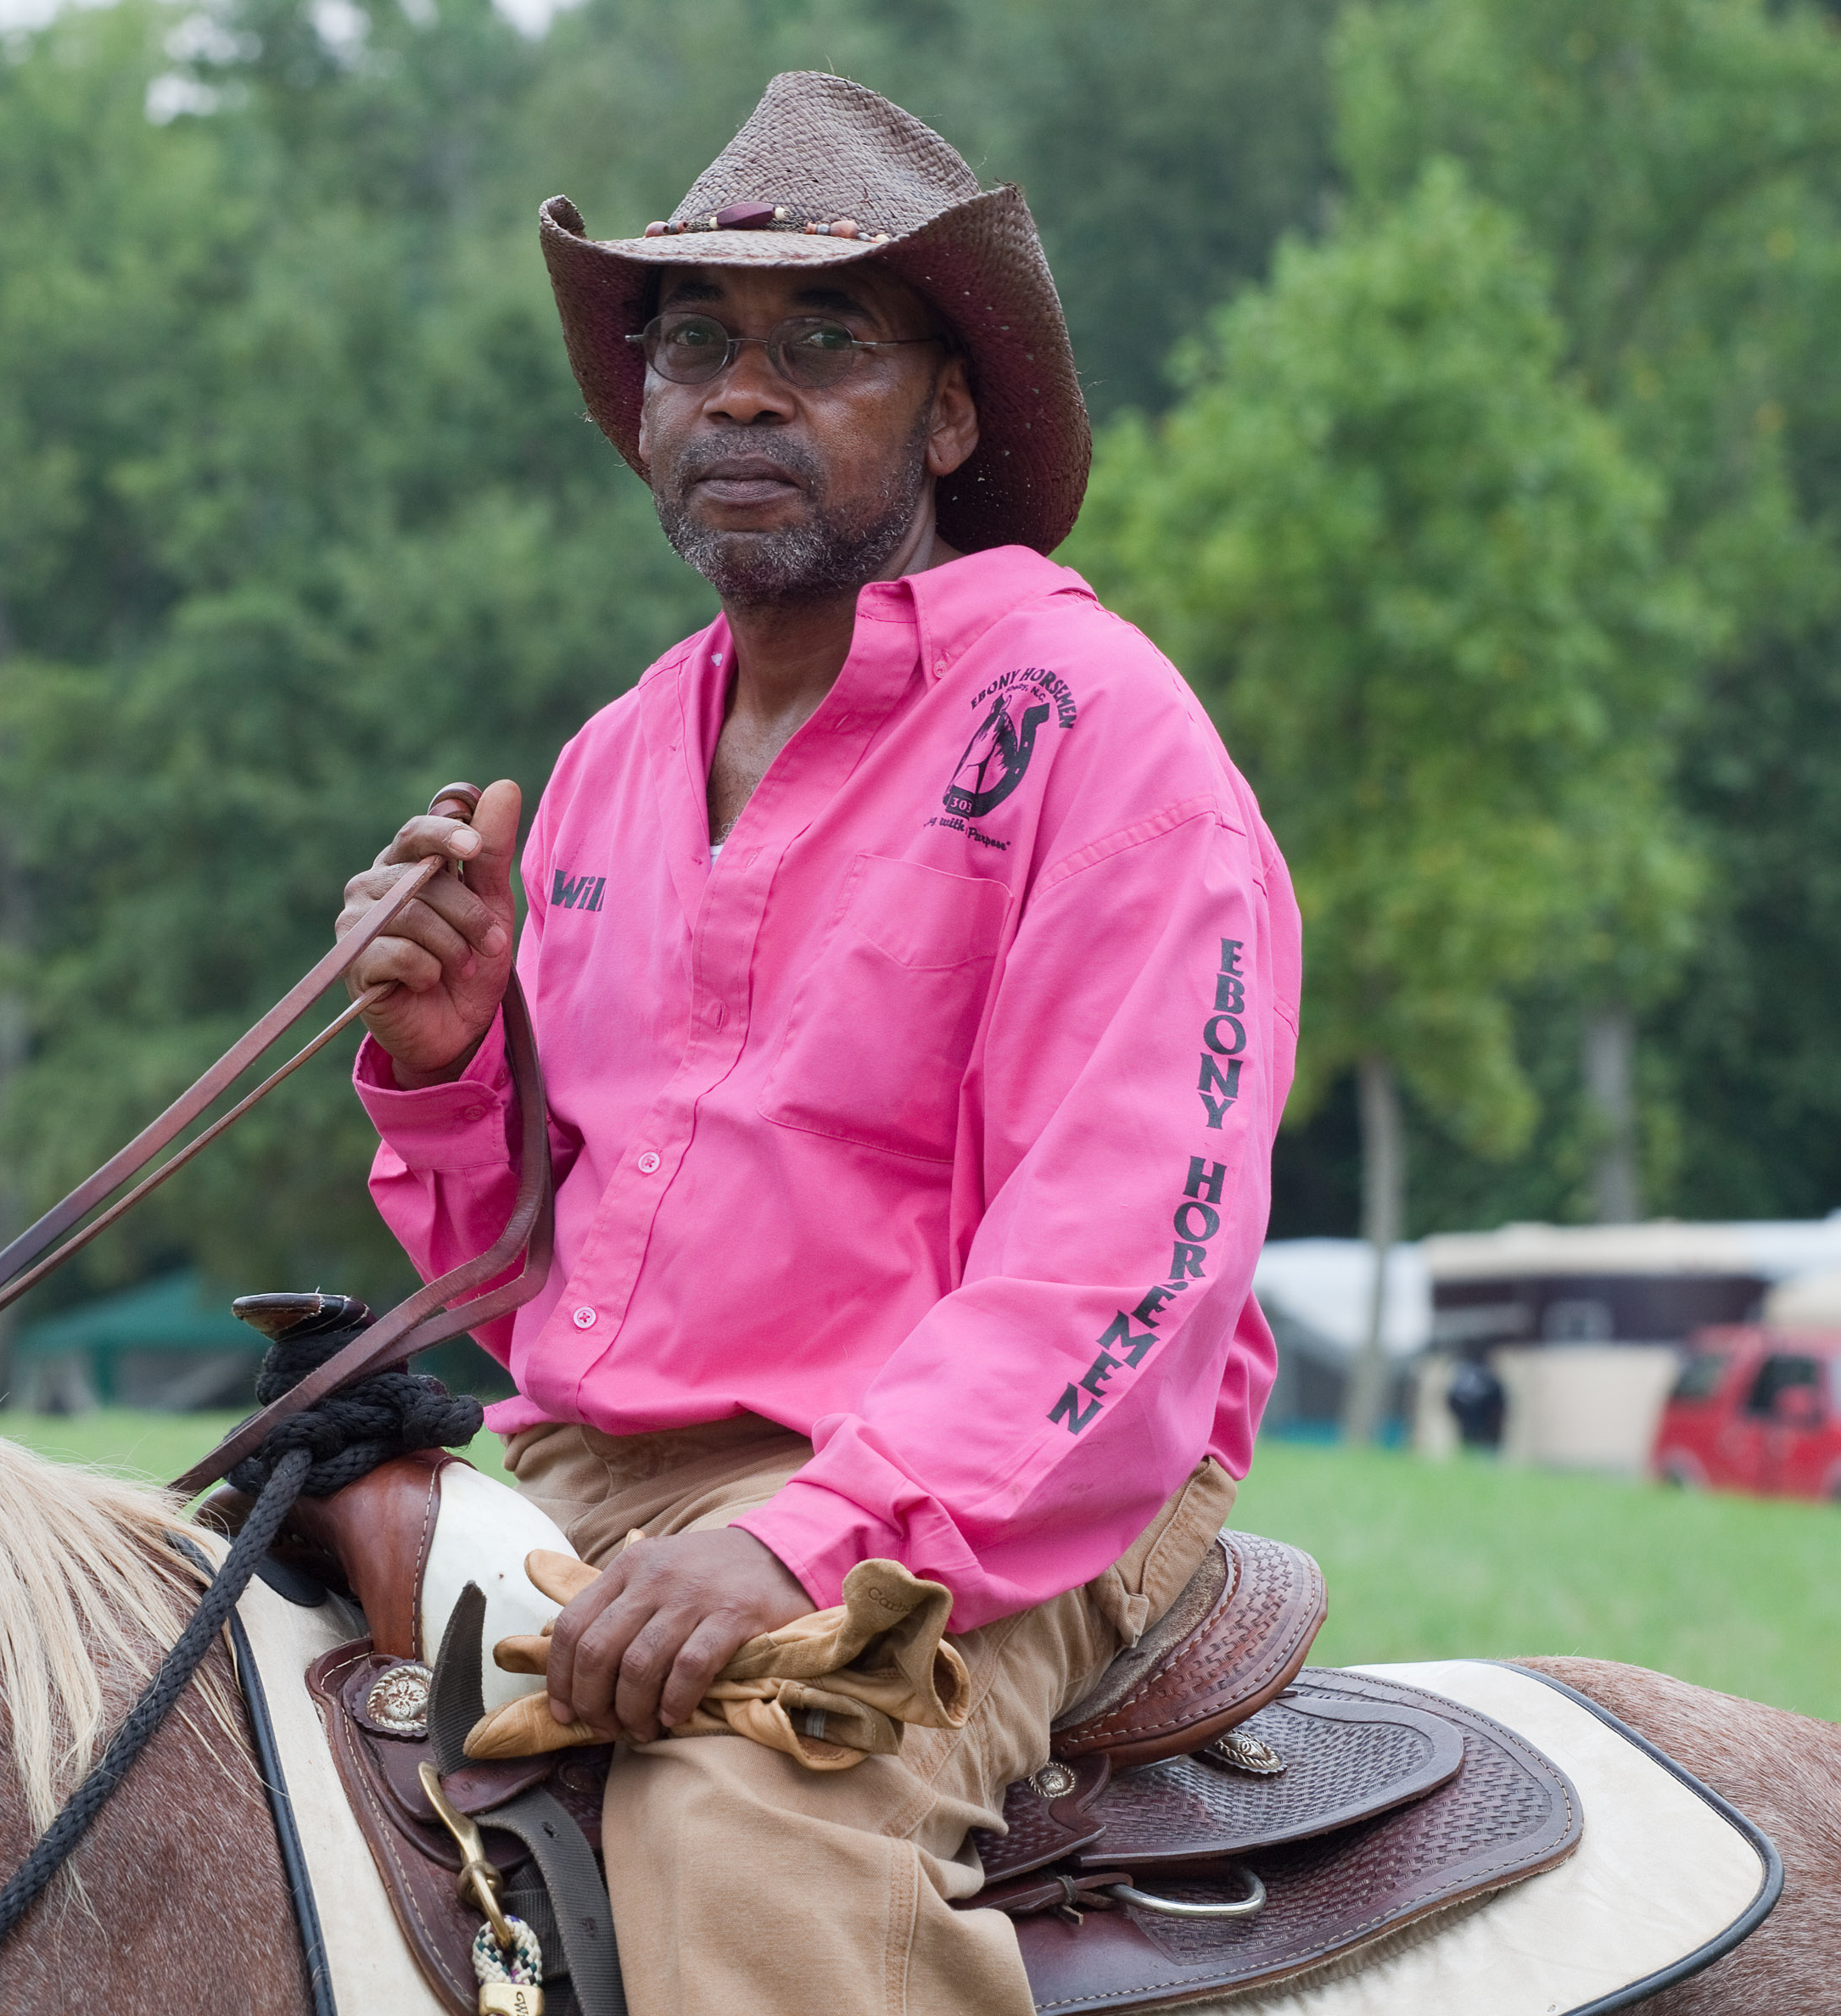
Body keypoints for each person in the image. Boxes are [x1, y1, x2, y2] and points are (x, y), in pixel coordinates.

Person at [335, 71, 1299, 2016]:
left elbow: (1125, 1272)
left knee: (746, 1837)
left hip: (1011, 1487)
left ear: (950, 413)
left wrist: (806, 1542)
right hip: (601, 1472)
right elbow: (544, 1308)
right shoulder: (609, 767)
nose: (740, 393)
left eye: (821, 343)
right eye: (694, 346)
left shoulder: (1102, 734)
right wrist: (445, 1066)